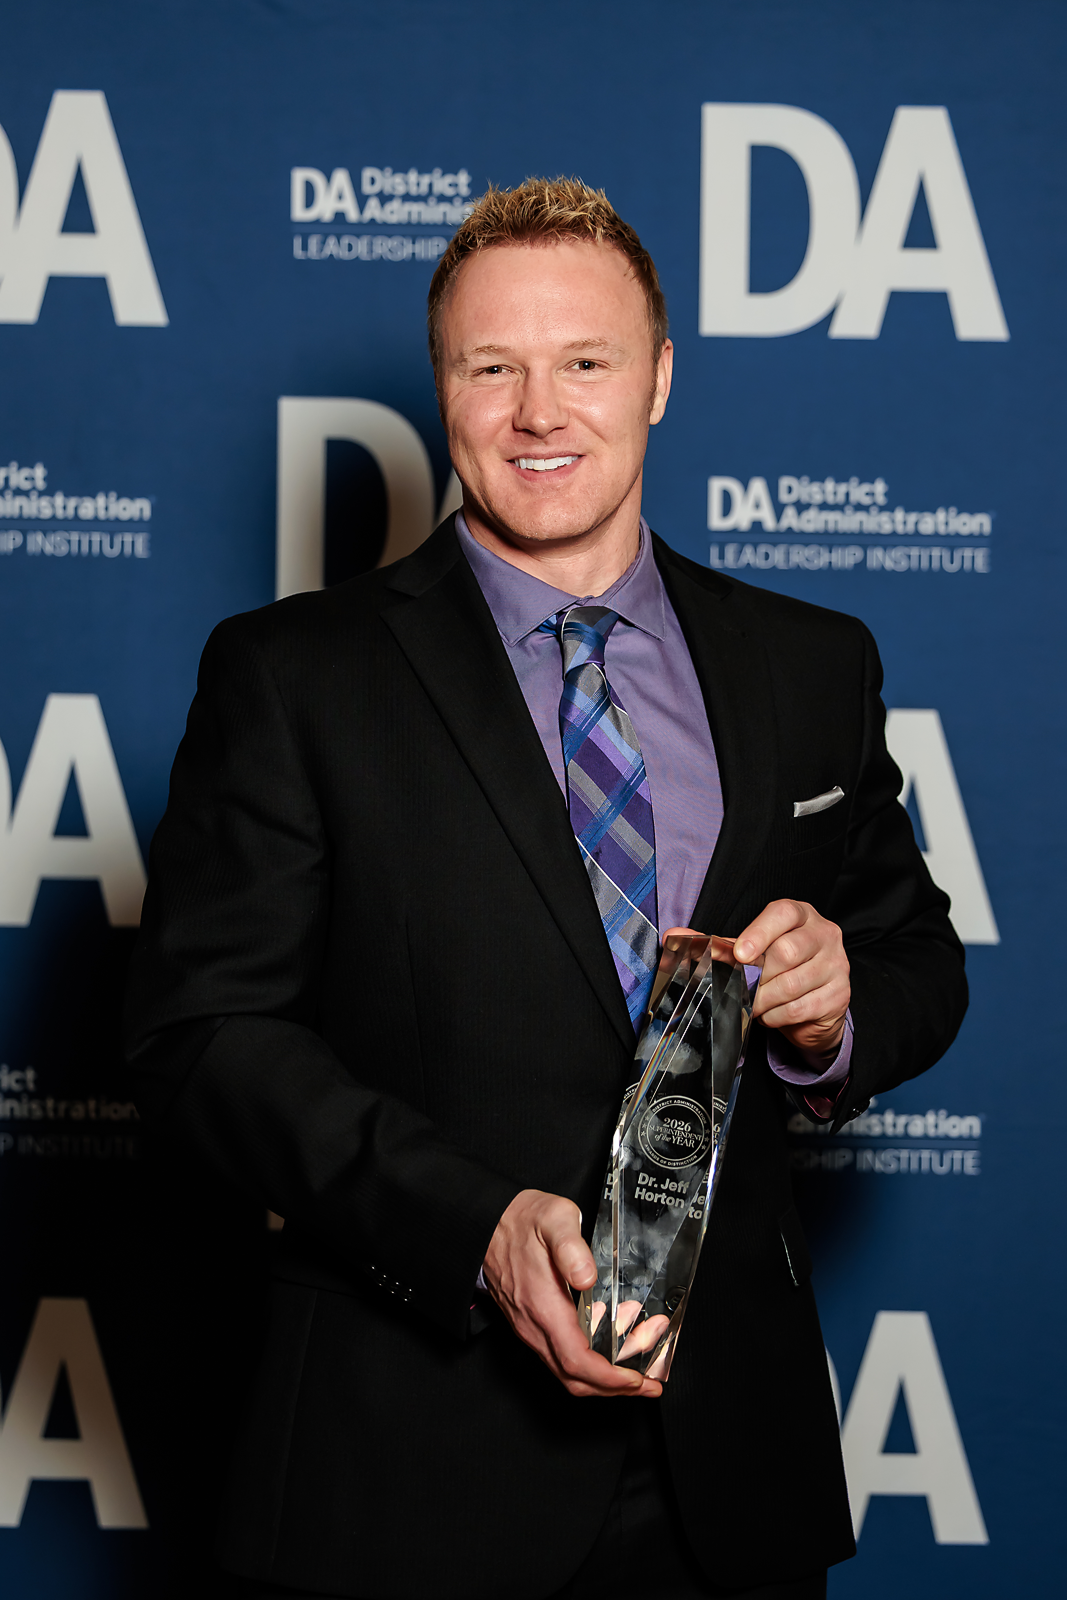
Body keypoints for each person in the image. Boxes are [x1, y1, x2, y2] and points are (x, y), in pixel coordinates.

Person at [124, 178, 967, 1600]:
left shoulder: (811, 663)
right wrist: (474, 1232)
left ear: (658, 377)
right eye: (489, 367)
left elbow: (915, 961)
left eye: (583, 360)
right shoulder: (292, 675)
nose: (537, 412)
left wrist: (831, 1019)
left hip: (729, 1470)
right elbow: (203, 1037)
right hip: (404, 1467)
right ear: (442, 390)